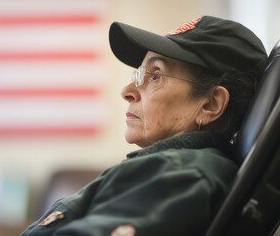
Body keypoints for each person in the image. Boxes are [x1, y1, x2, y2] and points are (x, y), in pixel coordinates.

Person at [20, 15, 268, 236]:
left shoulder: (180, 175)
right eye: (139, 74)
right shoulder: (175, 168)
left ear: (210, 105)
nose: (127, 91)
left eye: (155, 75)